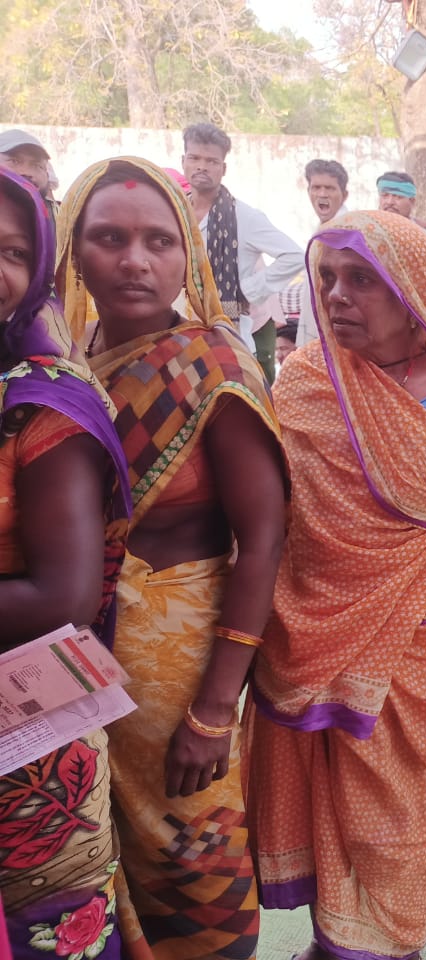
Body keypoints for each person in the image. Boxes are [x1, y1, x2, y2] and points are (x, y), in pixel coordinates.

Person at [248, 210, 426, 960]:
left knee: (389, 824)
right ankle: (339, 939)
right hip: (307, 637)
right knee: (322, 801)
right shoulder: (302, 382)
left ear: (413, 292)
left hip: (414, 650)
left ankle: (380, 943)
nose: (337, 295)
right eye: (327, 277)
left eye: (362, 279)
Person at [56, 157, 288, 960]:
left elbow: (263, 541)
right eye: (109, 238)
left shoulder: (215, 367)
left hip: (180, 677)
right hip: (67, 665)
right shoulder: (61, 363)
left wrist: (215, 708)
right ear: (73, 249)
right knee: (84, 859)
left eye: (159, 241)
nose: (135, 260)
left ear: (187, 254)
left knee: (199, 865)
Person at [0, 167, 131, 960]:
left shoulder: (43, 401)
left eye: (13, 251)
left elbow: (64, 595)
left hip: (29, 735)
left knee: (52, 938)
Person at [181, 123, 304, 383]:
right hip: (177, 333)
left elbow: (293, 255)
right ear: (184, 161)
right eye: (195, 158)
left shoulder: (243, 217)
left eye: (211, 161)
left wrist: (246, 290)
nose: (202, 166)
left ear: (223, 168)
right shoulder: (173, 210)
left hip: (229, 338)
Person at [0, 130, 55, 219]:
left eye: (37, 165)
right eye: (14, 161)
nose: (26, 172)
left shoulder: (63, 222)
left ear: (47, 175)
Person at [304, 158, 349, 225]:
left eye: (329, 188)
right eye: (316, 187)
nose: (322, 194)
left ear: (344, 195)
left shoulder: (352, 230)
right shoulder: (317, 227)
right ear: (308, 191)